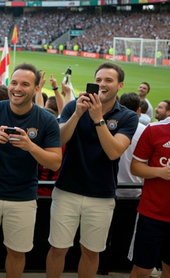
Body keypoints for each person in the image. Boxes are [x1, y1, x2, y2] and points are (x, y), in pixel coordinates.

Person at [0, 63, 62, 278]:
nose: (17, 88)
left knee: (17, 252)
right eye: (14, 82)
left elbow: (55, 162)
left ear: (37, 89)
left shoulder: (46, 119)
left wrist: (31, 146)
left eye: (25, 84)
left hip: (23, 196)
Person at [46, 62, 138, 278]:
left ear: (120, 85)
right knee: (58, 248)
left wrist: (98, 119)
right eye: (98, 80)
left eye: (108, 80)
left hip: (101, 194)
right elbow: (59, 139)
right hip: (67, 189)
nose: (102, 84)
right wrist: (78, 114)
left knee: (90, 251)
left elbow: (114, 152)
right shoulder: (73, 106)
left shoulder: (127, 116)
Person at [128, 109, 170, 278]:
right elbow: (135, 167)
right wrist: (161, 172)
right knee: (143, 269)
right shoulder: (154, 129)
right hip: (153, 215)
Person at [116, 92, 147, 198]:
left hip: (110, 188)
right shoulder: (146, 131)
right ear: (139, 110)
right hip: (136, 190)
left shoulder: (108, 126)